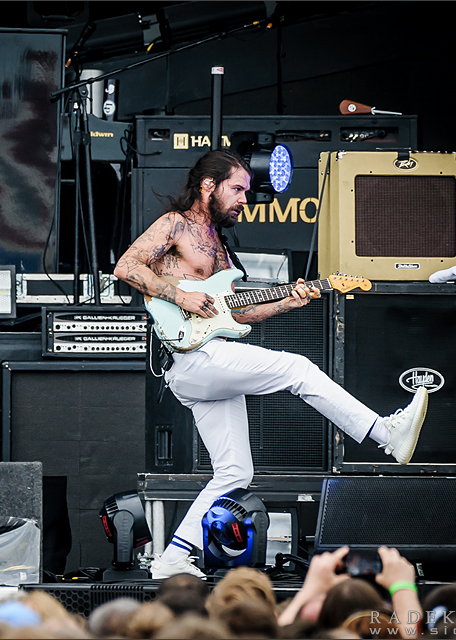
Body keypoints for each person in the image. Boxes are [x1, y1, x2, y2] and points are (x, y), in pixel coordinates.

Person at [113, 149, 428, 579]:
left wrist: (288, 302)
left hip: (206, 362)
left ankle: (172, 558)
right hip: (194, 357)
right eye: (237, 189)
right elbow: (125, 266)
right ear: (208, 185)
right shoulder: (175, 224)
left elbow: (238, 313)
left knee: (235, 471)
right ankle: (384, 433)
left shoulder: (221, 248)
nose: (244, 199)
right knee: (297, 368)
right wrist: (182, 295)